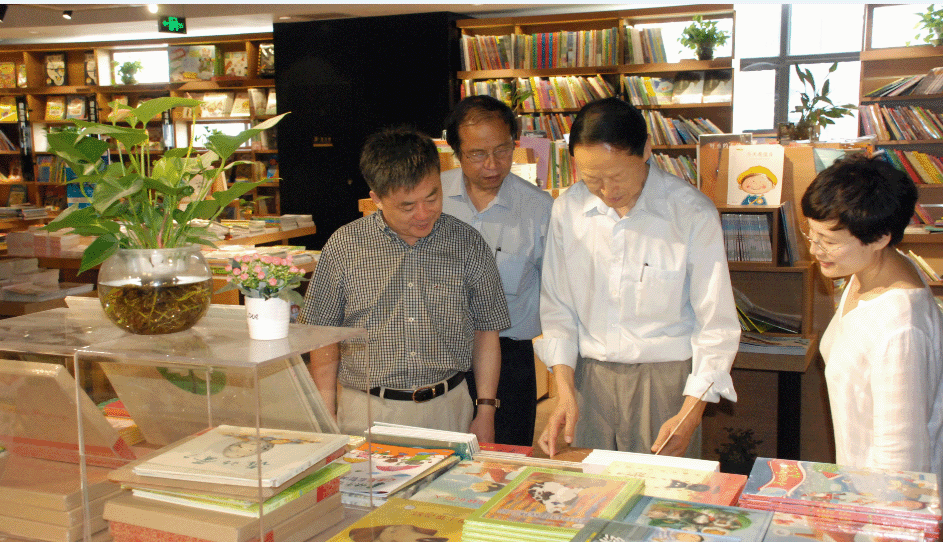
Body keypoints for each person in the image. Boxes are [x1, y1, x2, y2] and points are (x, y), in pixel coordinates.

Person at [536, 97, 740, 457]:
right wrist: (564, 392)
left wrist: (691, 413)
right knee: (587, 486)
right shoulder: (568, 209)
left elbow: (716, 326)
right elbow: (558, 309)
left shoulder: (690, 213)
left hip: (666, 382)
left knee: (663, 487)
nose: (607, 191)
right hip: (588, 379)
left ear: (646, 149)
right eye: (592, 179)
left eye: (617, 176)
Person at [299, 127, 510, 443]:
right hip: (367, 410)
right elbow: (323, 335)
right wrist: (326, 414)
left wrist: (487, 410)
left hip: (448, 406)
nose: (423, 214)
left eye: (432, 197)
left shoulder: (467, 243)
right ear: (376, 199)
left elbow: (486, 332)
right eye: (407, 206)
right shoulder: (345, 246)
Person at [800, 154, 943, 483]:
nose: (815, 251)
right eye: (812, 235)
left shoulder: (900, 329)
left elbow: (901, 463)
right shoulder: (872, 268)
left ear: (880, 237)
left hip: (882, 498)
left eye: (829, 242)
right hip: (859, 483)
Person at [441, 95, 554, 446]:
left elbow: (557, 295)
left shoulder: (539, 208)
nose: (492, 165)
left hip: (510, 361)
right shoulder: (431, 198)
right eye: (477, 154)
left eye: (502, 150)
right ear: (456, 152)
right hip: (441, 355)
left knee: (505, 460)